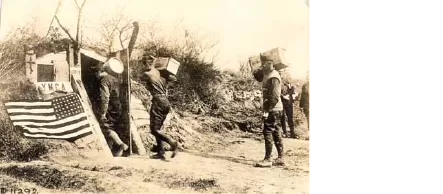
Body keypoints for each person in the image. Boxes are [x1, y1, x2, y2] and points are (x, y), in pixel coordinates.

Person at [140, 54, 178, 160]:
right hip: (165, 101)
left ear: (146, 63)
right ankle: (161, 152)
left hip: (158, 102)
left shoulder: (146, 74)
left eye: (143, 64)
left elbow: (142, 80)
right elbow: (173, 79)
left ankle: (172, 143)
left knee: (154, 130)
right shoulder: (159, 72)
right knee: (158, 128)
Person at [254, 54, 285, 168]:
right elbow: (258, 77)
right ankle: (281, 158)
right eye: (263, 64)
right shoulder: (267, 74)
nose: (264, 66)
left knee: (267, 131)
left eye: (267, 63)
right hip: (276, 108)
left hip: (274, 108)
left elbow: (274, 96)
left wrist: (267, 110)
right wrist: (256, 68)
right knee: (276, 132)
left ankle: (268, 159)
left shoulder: (274, 76)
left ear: (271, 64)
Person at [97, 60, 129, 157]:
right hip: (118, 106)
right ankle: (115, 152)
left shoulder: (104, 80)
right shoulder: (116, 79)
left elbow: (105, 97)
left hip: (110, 107)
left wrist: (103, 113)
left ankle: (121, 144)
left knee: (105, 127)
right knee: (112, 127)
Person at [279, 74, 298, 139]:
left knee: (290, 117)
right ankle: (285, 132)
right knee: (282, 117)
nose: (288, 80)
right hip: (282, 103)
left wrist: (294, 96)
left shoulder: (292, 87)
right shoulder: (281, 85)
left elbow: (293, 95)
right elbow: (278, 93)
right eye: (287, 79)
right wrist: (283, 96)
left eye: (289, 79)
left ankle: (292, 133)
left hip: (289, 104)